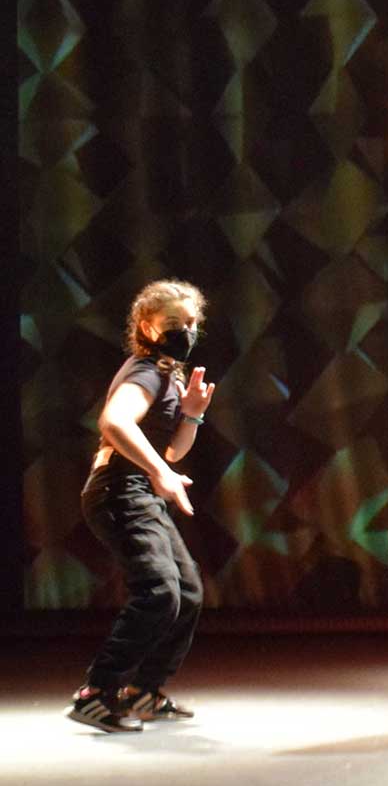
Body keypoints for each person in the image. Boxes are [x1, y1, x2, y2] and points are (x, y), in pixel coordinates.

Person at [67, 280, 215, 733]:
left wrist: (191, 414)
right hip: (118, 490)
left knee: (187, 592)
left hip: (138, 490)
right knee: (159, 592)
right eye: (172, 323)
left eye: (191, 322)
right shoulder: (147, 371)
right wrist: (159, 472)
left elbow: (172, 452)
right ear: (147, 327)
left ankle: (144, 691)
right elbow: (114, 421)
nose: (185, 331)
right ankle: (97, 692)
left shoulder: (168, 376)